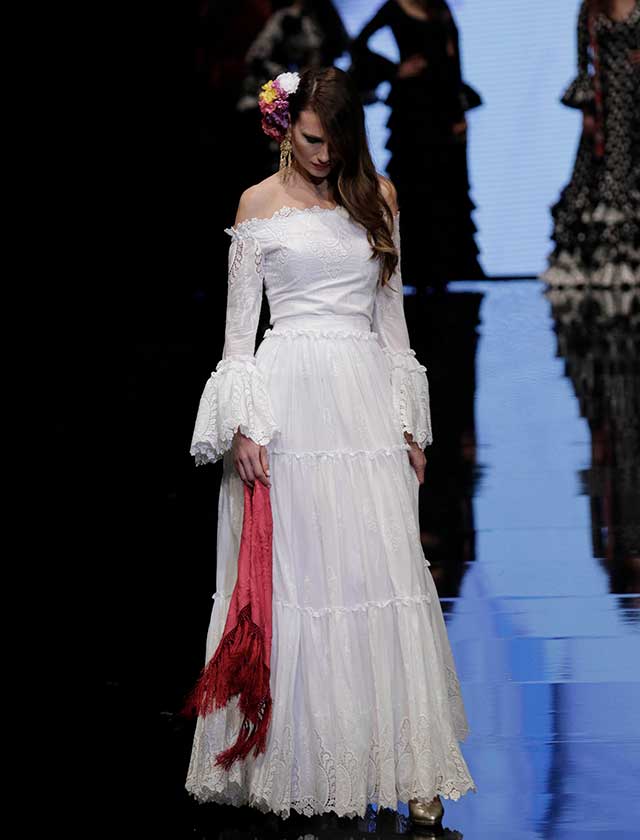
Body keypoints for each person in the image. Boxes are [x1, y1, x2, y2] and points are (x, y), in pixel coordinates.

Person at [184, 66, 476, 822]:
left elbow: (393, 322)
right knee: (303, 587)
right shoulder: (257, 205)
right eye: (313, 139)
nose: (324, 154)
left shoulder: (377, 199)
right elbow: (238, 335)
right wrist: (245, 424)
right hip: (289, 405)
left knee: (383, 575)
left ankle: (412, 766)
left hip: (364, 401)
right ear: (286, 128)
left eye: (336, 141)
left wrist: (409, 425)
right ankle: (307, 769)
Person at [350, 0, 484, 292]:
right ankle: (417, 270)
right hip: (411, 110)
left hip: (444, 109)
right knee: (414, 186)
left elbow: (454, 61)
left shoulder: (440, 8)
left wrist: (459, 111)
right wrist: (394, 70)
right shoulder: (395, 7)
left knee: (447, 188)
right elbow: (358, 44)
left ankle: (447, 269)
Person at [542, 0, 640, 288]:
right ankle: (598, 266)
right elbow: (582, 62)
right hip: (605, 105)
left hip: (637, 100)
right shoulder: (591, 6)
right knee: (595, 176)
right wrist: (587, 110)